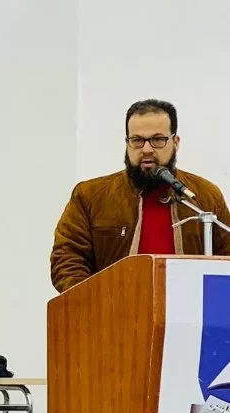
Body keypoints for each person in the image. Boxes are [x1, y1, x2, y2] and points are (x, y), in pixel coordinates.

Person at [51, 98, 230, 292]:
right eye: (137, 140)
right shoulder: (90, 196)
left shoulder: (204, 196)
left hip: (188, 309)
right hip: (112, 309)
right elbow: (67, 259)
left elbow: (226, 260)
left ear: (175, 142)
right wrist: (95, 300)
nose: (146, 149)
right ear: (127, 143)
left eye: (158, 140)